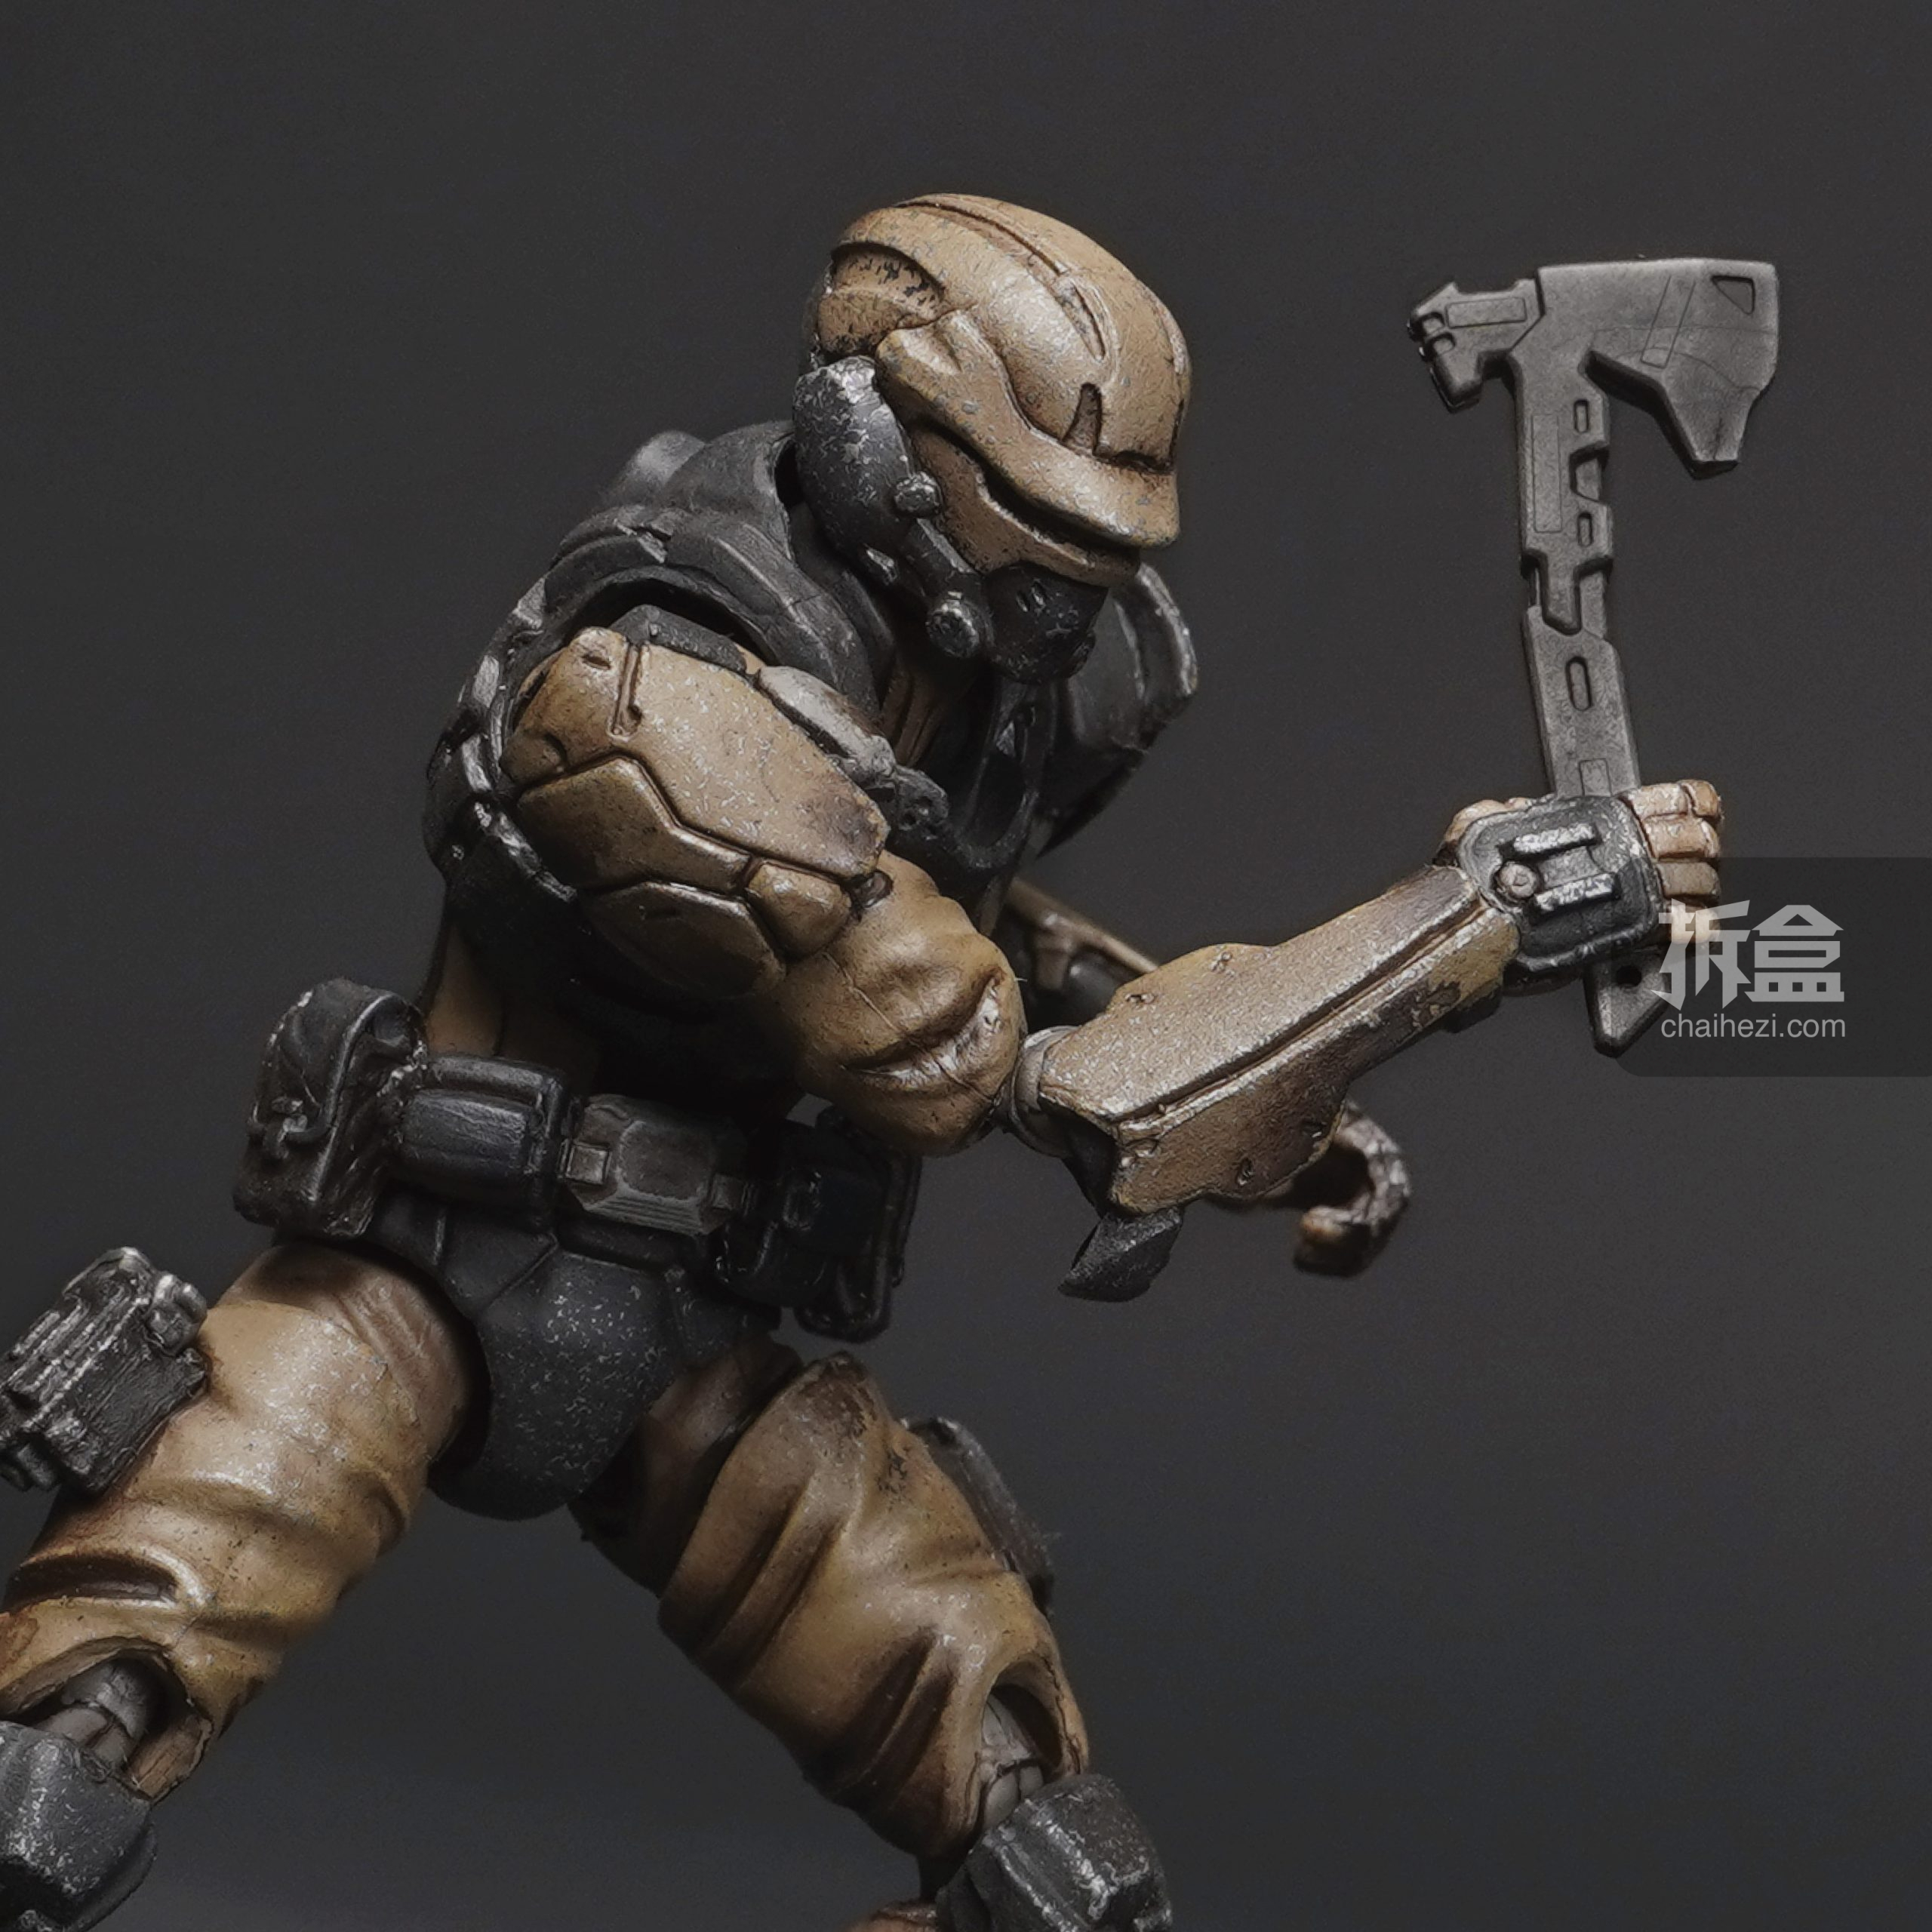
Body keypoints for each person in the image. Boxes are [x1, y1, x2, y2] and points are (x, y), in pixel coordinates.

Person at [0, 195, 1721, 1932]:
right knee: (70, 1732)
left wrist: (1284, 1090)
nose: (1071, 593)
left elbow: (1001, 937)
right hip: (413, 1278)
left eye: (1102, 546)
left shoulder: (948, 674)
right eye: (1041, 528)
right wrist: (1479, 913)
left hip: (702, 1346)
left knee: (1036, 1842)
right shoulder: (647, 702)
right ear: (875, 441)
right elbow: (1003, 1065)